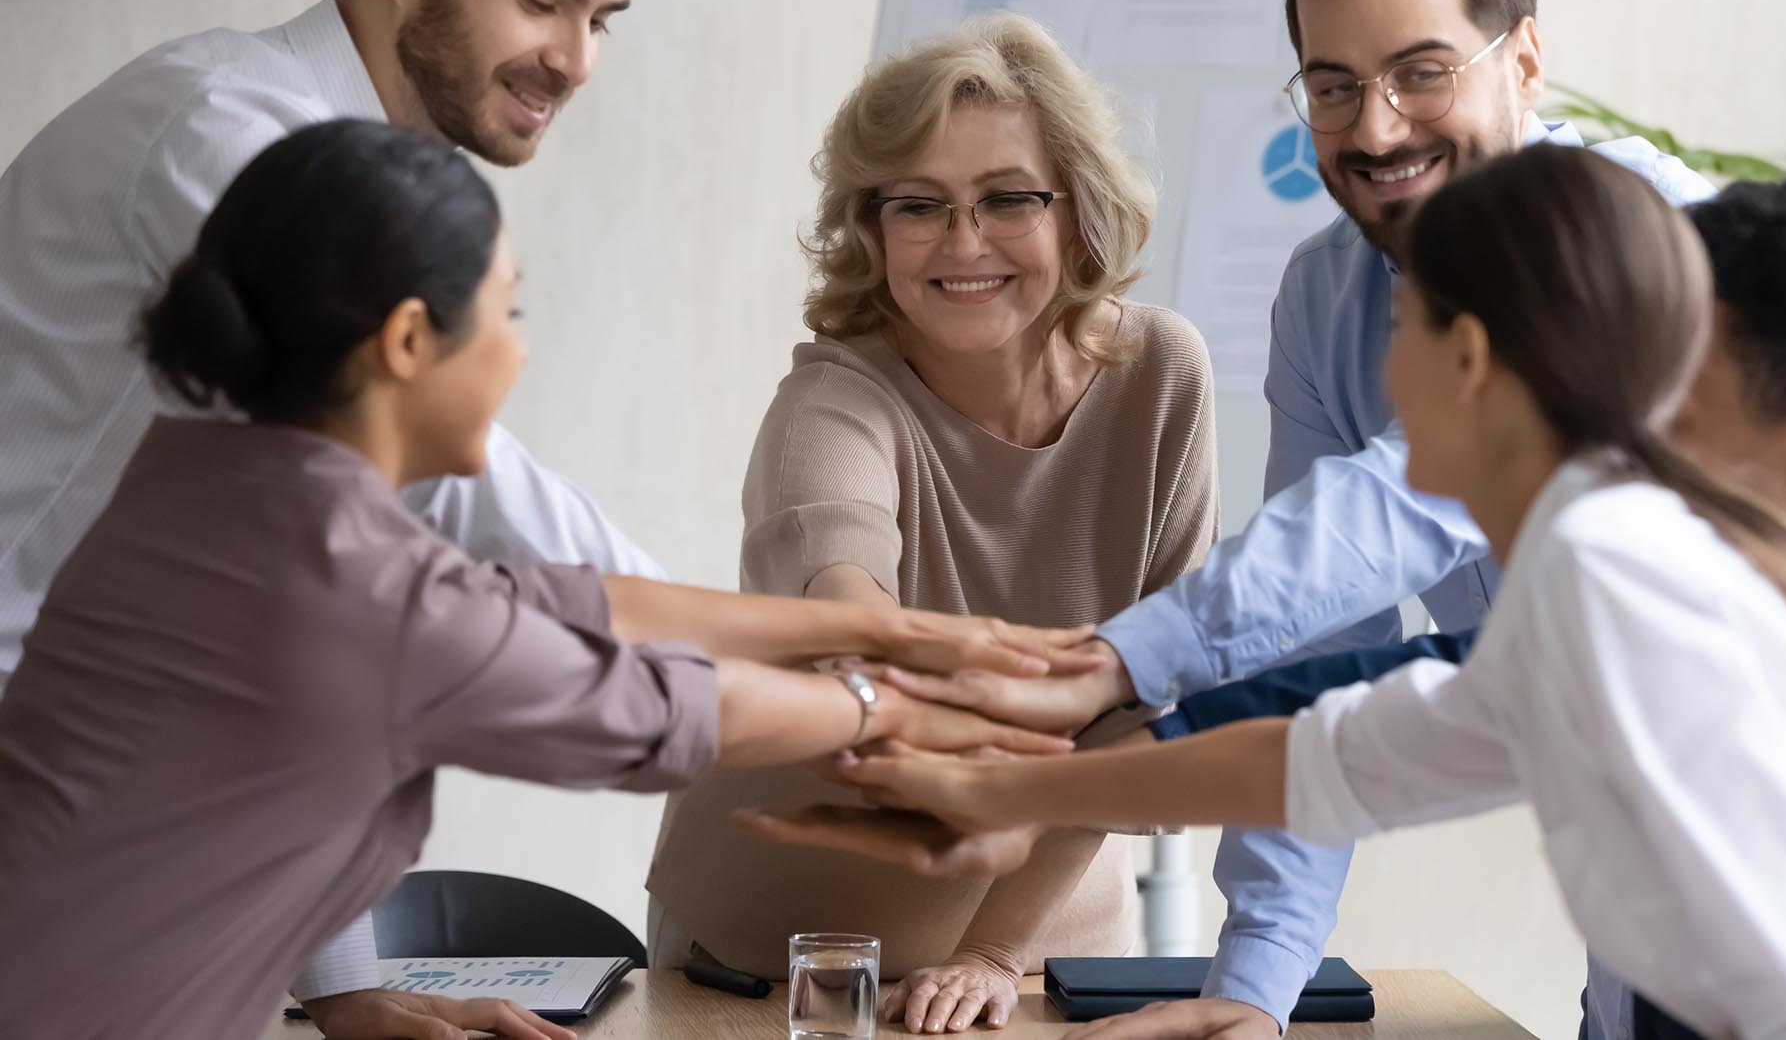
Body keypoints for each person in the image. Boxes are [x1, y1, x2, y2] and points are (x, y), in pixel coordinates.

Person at [747, 144, 1786, 1038]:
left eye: (1398, 333)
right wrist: (1018, 794)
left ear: (1468, 361)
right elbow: (1335, 756)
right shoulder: (1589, 590)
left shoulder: (1614, 573)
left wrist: (1019, 767)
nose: (1367, 379)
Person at [0, 120, 1088, 1040]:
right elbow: (661, 711)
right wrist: (888, 701)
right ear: (411, 340)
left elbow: (565, 605)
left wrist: (919, 644)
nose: (517, 356)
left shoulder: (210, 483)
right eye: (508, 314)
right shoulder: (356, 587)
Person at [774, 0, 1713, 1033]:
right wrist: (1255, 989)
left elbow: (1396, 512)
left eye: (1422, 72)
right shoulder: (1330, 295)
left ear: (1524, 58)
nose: (1377, 126)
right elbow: (1327, 682)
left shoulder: (1650, 242)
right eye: (1333, 86)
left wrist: (1118, 664)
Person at [0, 0, 666, 1031]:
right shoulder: (226, 132)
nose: (576, 60)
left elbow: (294, 574)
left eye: (603, 17)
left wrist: (346, 986)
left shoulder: (337, 175)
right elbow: (437, 482)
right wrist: (730, 657)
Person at [646, 16, 1218, 1034]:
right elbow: (852, 617)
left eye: (1008, 198)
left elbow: (1151, 702)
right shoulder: (833, 401)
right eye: (920, 205)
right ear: (872, 228)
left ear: (1078, 213)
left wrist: (994, 949)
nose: (964, 243)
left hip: (1040, 953)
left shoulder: (1162, 378)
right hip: (780, 958)